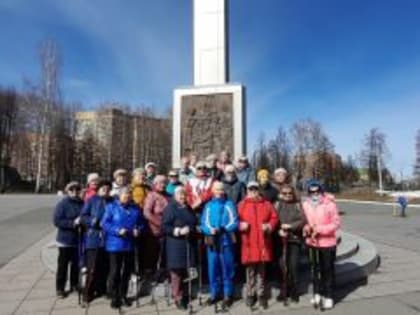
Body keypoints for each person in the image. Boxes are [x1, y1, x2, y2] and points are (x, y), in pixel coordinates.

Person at [101, 187, 146, 309]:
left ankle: (123, 295)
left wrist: (139, 230)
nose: (128, 196)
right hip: (115, 245)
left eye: (129, 194)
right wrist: (117, 230)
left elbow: (142, 223)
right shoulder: (111, 207)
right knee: (115, 271)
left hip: (130, 245)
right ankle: (114, 296)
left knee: (127, 272)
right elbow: (104, 223)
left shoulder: (135, 208)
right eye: (125, 194)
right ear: (119, 195)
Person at [238, 181, 279, 309]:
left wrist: (269, 226)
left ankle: (261, 295)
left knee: (261, 272)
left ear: (258, 190)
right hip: (248, 243)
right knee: (250, 271)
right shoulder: (241, 205)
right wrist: (240, 225)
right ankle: (251, 294)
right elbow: (234, 219)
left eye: (255, 189)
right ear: (247, 191)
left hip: (262, 243)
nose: (253, 191)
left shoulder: (266, 204)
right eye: (250, 189)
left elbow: (274, 218)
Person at [302, 181, 340, 310]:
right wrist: (307, 228)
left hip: (327, 243)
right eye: (312, 191)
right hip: (312, 242)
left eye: (317, 191)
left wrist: (320, 229)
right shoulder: (306, 204)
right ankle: (317, 292)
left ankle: (328, 295)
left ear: (321, 191)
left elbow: (336, 224)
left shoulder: (329, 204)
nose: (315, 194)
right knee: (314, 270)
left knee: (327, 270)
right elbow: (305, 221)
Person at [200, 182, 239, 310]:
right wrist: (210, 230)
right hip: (212, 241)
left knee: (227, 268)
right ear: (212, 191)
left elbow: (234, 221)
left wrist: (225, 228)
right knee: (213, 269)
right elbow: (203, 223)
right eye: (217, 189)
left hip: (225, 241)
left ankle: (228, 294)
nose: (219, 191)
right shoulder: (208, 205)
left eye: (221, 189)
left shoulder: (229, 204)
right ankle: (214, 294)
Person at [162, 186, 197, 310]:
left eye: (184, 194)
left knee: (185, 270)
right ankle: (177, 296)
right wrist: (177, 230)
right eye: (180, 195)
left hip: (188, 243)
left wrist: (190, 229)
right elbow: (165, 226)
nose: (182, 197)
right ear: (175, 196)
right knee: (176, 272)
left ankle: (185, 293)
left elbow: (194, 222)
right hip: (175, 244)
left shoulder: (188, 208)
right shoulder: (170, 208)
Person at [80, 180, 114, 302]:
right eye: (103, 189)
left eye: (108, 189)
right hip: (93, 237)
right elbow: (83, 217)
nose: (106, 191)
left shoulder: (113, 201)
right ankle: (87, 292)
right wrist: (93, 221)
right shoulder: (91, 200)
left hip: (109, 238)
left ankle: (102, 290)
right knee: (92, 267)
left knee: (105, 267)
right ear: (98, 190)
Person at [274, 185, 305, 303]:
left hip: (294, 240)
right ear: (281, 193)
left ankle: (294, 291)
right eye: (285, 193)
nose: (287, 195)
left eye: (289, 193)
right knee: (282, 266)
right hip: (281, 240)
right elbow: (273, 219)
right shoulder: (277, 205)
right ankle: (283, 290)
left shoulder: (297, 204)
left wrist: (291, 226)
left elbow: (303, 220)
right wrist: (279, 230)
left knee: (293, 266)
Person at [53, 181, 84, 298]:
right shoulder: (62, 204)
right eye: (72, 190)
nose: (75, 192)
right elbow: (57, 221)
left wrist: (83, 222)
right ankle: (60, 288)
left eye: (77, 190)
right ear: (68, 191)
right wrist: (72, 223)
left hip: (78, 239)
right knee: (63, 265)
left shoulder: (82, 203)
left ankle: (74, 285)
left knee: (76, 265)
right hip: (65, 240)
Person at [143, 175, 170, 273]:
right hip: (154, 230)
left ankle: (163, 274)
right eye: (160, 183)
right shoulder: (151, 195)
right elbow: (146, 212)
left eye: (165, 183)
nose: (163, 185)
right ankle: (151, 275)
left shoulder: (169, 196)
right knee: (153, 253)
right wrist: (159, 223)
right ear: (155, 184)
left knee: (165, 254)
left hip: (167, 230)